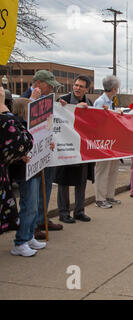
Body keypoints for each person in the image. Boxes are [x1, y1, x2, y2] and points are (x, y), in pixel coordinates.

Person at [20, 70, 63, 238]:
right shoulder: (24, 99)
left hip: (45, 151)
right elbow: (21, 122)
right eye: (49, 85)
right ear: (38, 83)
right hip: (31, 156)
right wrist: (32, 101)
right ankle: (31, 227)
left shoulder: (48, 100)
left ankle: (41, 219)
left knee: (45, 188)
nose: (52, 89)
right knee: (32, 194)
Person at [55, 75, 95, 223]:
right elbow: (57, 119)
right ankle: (64, 213)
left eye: (81, 86)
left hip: (81, 148)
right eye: (76, 85)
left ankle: (79, 211)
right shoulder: (63, 100)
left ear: (87, 89)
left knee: (81, 181)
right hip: (65, 147)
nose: (77, 88)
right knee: (63, 182)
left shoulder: (89, 102)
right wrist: (72, 109)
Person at [1, 88, 34, 241]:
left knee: (31, 205)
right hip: (19, 172)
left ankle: (28, 235)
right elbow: (24, 143)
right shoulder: (10, 122)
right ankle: (22, 240)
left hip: (17, 171)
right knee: (28, 205)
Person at [93, 75, 122, 208]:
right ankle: (100, 198)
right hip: (103, 141)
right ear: (114, 88)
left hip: (112, 140)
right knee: (102, 170)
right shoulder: (101, 102)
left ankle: (110, 195)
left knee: (112, 169)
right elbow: (98, 122)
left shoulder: (111, 102)